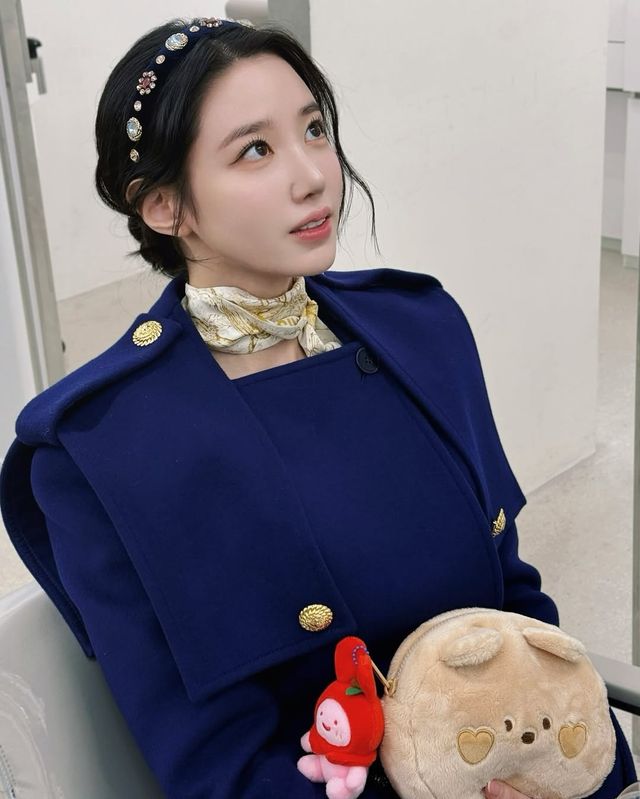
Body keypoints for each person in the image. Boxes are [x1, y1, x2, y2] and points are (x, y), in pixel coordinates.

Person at [0, 16, 636, 799]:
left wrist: (572, 767)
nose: (313, 176)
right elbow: (219, 767)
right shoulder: (101, 447)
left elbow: (517, 605)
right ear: (164, 205)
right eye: (254, 150)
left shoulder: (420, 328)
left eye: (313, 130)